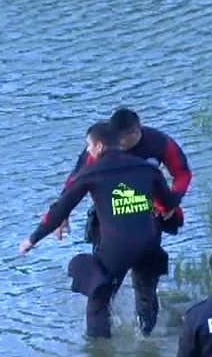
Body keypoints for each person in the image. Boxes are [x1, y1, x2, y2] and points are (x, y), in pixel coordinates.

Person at [19, 121, 178, 338]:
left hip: (116, 248)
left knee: (97, 300)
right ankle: (147, 339)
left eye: (89, 146)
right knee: (146, 292)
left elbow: (60, 209)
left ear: (100, 146)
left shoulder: (91, 173)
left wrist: (32, 239)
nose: (88, 150)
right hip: (149, 244)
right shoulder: (147, 168)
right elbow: (168, 201)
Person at [54, 108, 192, 243]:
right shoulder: (101, 145)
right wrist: (62, 212)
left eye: (120, 140)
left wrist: (172, 202)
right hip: (110, 210)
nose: (116, 144)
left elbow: (182, 173)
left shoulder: (159, 142)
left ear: (136, 133)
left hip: (147, 210)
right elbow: (76, 178)